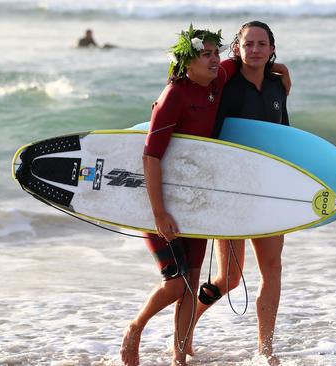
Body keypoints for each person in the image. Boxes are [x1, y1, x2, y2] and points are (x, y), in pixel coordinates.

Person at [119, 24, 234, 366]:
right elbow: (151, 155)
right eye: (206, 54)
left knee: (192, 281)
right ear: (187, 62)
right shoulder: (174, 96)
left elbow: (244, 59)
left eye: (217, 53)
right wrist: (158, 213)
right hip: (159, 201)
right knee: (175, 285)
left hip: (192, 202)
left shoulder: (217, 83)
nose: (215, 60)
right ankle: (135, 328)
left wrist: (280, 72)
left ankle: (179, 356)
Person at [188, 21, 291, 365]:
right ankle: (186, 327)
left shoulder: (278, 87)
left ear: (272, 49)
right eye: (249, 44)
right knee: (229, 278)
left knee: (272, 270)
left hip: (267, 192)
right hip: (230, 191)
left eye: (263, 44)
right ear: (237, 48)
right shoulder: (226, 85)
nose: (256, 49)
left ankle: (265, 349)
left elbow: (284, 138)